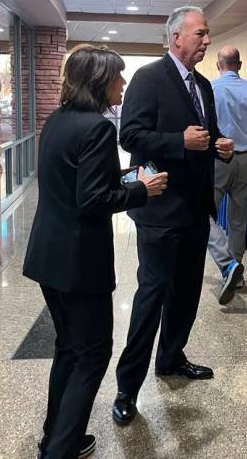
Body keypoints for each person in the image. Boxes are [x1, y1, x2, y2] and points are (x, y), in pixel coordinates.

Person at [23, 45, 168, 459]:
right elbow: (93, 200)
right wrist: (142, 189)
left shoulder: (58, 120)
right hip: (79, 262)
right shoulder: (99, 128)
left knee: (68, 347)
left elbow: (77, 179)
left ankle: (55, 435)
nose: (123, 85)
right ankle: (61, 449)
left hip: (48, 256)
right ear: (100, 82)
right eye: (118, 78)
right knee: (92, 353)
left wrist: (122, 175)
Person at [111, 6, 234, 425]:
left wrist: (219, 143)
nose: (207, 40)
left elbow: (206, 133)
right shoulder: (148, 79)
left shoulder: (203, 85)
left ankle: (171, 357)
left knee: (186, 294)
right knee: (151, 297)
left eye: (208, 34)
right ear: (176, 36)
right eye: (200, 33)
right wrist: (179, 142)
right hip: (161, 211)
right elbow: (130, 136)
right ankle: (127, 386)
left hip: (196, 209)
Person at [206, 46, 247, 304]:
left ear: (218, 65)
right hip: (246, 159)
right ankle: (236, 268)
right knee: (238, 217)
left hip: (217, 158)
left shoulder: (209, 89)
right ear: (240, 64)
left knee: (205, 213)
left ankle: (226, 265)